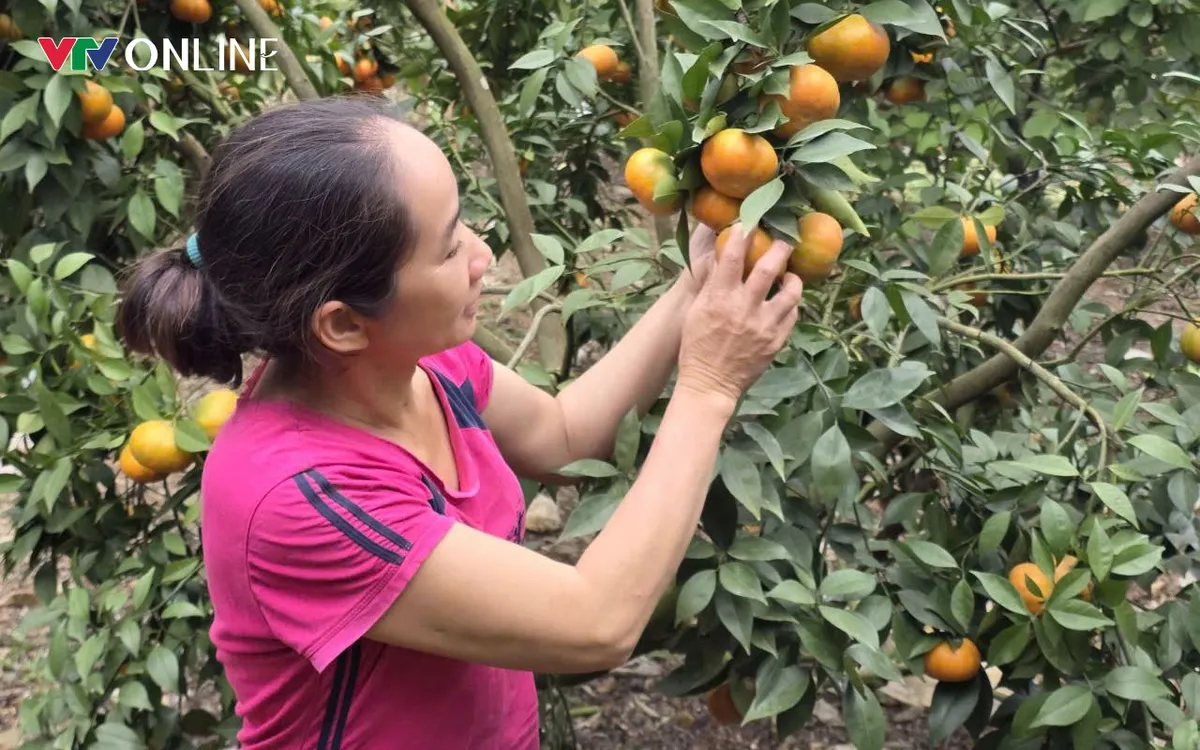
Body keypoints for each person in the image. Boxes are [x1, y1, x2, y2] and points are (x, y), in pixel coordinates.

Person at [117, 95, 802, 750]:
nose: (482, 255)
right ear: (344, 324)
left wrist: (696, 282)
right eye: (448, 249)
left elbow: (563, 435)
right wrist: (709, 387)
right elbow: (597, 621)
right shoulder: (301, 495)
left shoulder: (418, 363)